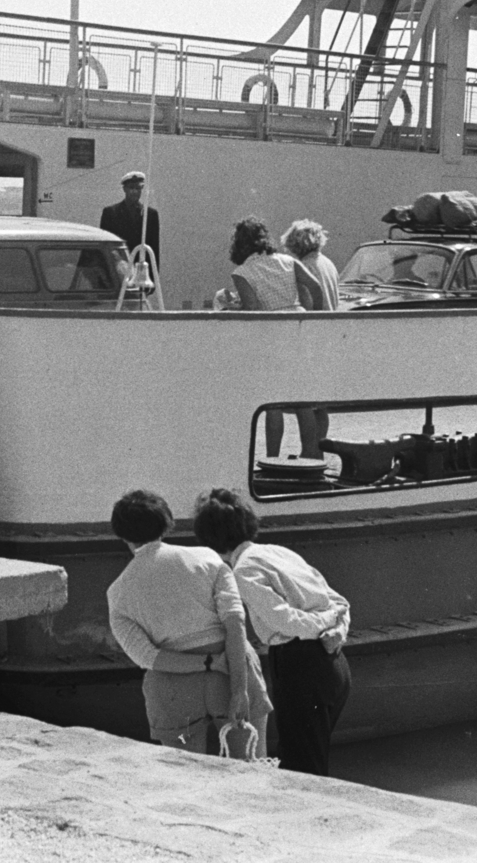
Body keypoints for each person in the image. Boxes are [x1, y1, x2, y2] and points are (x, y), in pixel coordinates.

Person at [193, 487, 350, 776]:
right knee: (314, 755)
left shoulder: (242, 571)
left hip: (299, 664)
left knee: (302, 767)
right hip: (336, 664)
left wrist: (323, 624)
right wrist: (334, 627)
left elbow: (285, 622)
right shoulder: (279, 552)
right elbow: (340, 602)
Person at [106, 489, 272, 756]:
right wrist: (239, 690)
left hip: (174, 691)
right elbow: (235, 625)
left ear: (122, 535)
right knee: (250, 767)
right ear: (166, 522)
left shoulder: (117, 593)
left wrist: (205, 664)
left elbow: (147, 657)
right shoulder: (207, 559)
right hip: (231, 674)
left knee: (186, 775)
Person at [217, 216, 323, 456]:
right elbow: (315, 286)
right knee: (303, 401)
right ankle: (310, 455)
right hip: (298, 327)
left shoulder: (242, 272)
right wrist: (317, 319)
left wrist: (234, 307)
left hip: (271, 335)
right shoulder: (288, 261)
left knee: (273, 403)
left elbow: (253, 310)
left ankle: (272, 458)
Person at [281, 219, 338, 458]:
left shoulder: (304, 266)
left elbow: (306, 303)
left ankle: (308, 453)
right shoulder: (328, 264)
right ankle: (319, 450)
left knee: (303, 402)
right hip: (330, 337)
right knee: (320, 405)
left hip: (312, 337)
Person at [99, 171, 160, 269]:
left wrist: (153, 279)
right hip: (118, 269)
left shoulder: (150, 215)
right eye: (131, 188)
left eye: (138, 188)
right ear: (125, 189)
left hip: (141, 270)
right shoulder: (110, 213)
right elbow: (106, 246)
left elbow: (154, 250)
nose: (135, 192)